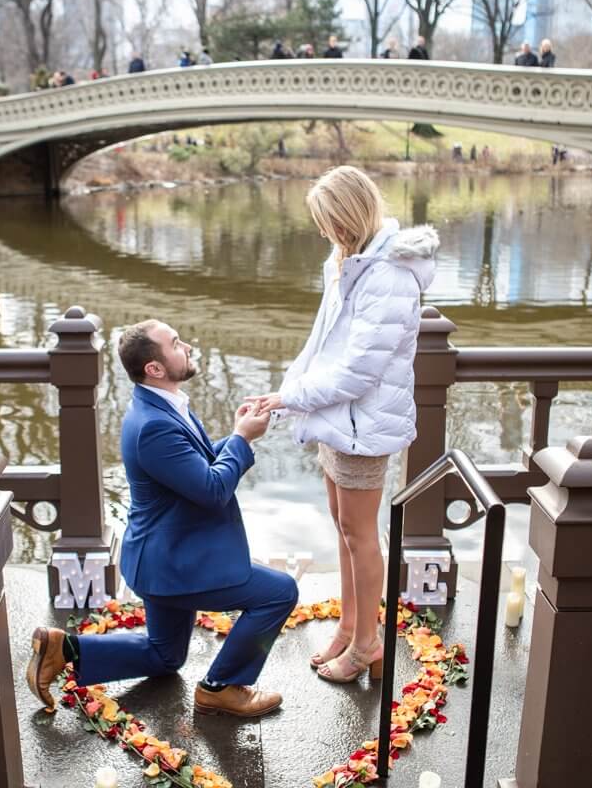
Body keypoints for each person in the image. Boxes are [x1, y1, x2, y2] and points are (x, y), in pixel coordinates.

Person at [28, 321, 296, 718]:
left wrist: (241, 436)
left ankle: (64, 648)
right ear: (154, 368)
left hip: (162, 558)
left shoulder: (160, 405)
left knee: (165, 656)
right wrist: (239, 439)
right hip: (177, 564)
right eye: (175, 344)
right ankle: (221, 687)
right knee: (278, 592)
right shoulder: (155, 425)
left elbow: (192, 466)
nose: (186, 345)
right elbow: (211, 490)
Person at [245, 167, 438, 685]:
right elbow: (321, 346)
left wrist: (291, 396)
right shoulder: (350, 263)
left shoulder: (389, 275)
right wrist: (285, 397)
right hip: (338, 419)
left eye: (327, 221)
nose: (323, 231)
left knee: (360, 534)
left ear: (347, 218)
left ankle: (366, 645)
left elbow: (358, 371)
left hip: (362, 425)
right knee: (345, 527)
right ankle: (350, 629)